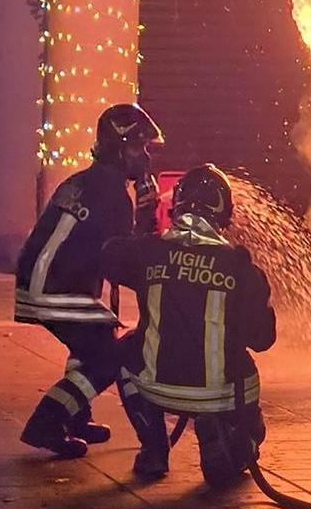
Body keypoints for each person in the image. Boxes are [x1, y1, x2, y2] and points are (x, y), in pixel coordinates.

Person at [102, 164, 276, 485]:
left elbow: (110, 255)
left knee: (125, 349)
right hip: (222, 392)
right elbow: (264, 339)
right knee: (255, 435)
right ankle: (226, 438)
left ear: (177, 206)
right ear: (225, 213)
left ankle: (154, 448)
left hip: (155, 384)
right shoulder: (241, 267)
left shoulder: (148, 251)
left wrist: (144, 220)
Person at [16, 103, 164, 458]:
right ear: (119, 148)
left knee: (93, 341)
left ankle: (77, 417)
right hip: (56, 287)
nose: (145, 157)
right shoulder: (112, 193)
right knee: (106, 359)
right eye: (139, 147)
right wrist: (147, 216)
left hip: (45, 281)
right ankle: (48, 422)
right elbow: (123, 259)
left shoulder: (87, 180)